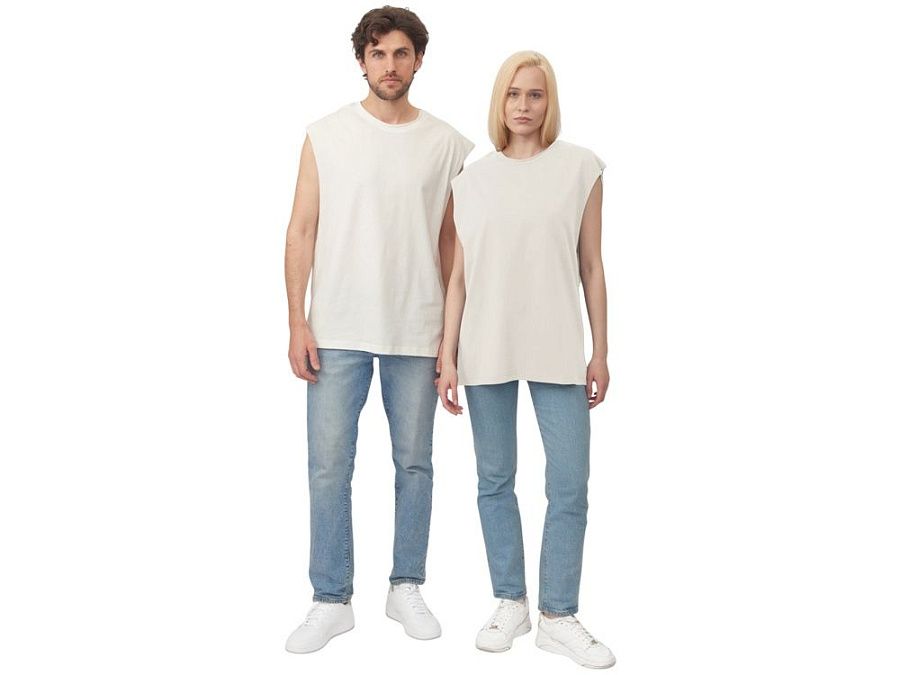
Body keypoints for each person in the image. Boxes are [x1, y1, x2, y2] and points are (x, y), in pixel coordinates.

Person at [283, 6, 474, 653]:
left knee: (415, 464)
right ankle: (331, 598)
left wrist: (451, 341)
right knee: (328, 467)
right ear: (362, 61)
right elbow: (301, 229)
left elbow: (452, 248)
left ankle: (405, 586)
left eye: (401, 53)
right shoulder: (326, 135)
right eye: (378, 53)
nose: (389, 66)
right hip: (336, 326)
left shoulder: (448, 144)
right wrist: (296, 320)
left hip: (416, 329)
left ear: (418, 60)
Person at [436, 51, 616, 668]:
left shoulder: (580, 168)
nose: (523, 105)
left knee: (569, 483)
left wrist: (601, 350)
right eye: (513, 94)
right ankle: (510, 600)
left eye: (535, 94)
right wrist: (447, 354)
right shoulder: (471, 181)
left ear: (549, 102)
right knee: (495, 480)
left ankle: (558, 615)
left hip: (558, 345)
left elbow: (591, 264)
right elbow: (459, 278)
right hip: (484, 343)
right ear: (499, 101)